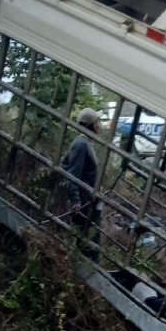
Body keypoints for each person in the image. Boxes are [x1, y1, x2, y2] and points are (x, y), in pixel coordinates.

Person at [61, 107, 103, 260]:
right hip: (84, 203)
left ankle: (90, 272)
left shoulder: (87, 143)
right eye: (97, 122)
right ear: (91, 125)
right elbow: (73, 172)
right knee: (88, 242)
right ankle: (88, 274)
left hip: (90, 200)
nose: (99, 125)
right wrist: (76, 199)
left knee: (91, 240)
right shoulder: (81, 144)